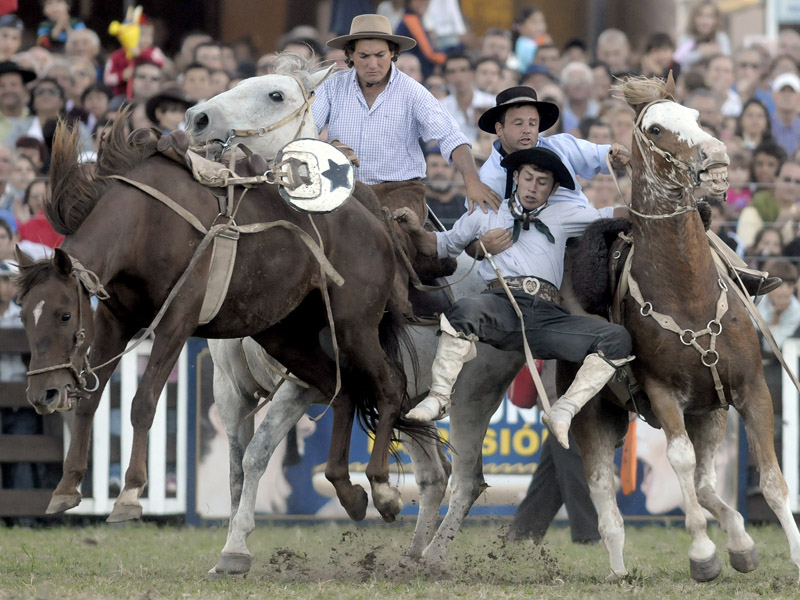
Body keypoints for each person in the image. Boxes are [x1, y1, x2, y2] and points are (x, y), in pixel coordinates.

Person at [396, 148, 633, 451]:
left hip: (548, 315)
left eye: (543, 182)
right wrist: (416, 231)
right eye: (529, 178)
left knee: (616, 338)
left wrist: (639, 178)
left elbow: (615, 216)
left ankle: (563, 411)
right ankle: (439, 397)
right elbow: (440, 245)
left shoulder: (564, 214)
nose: (533, 188)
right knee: (464, 309)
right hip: (502, 304)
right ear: (516, 178)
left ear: (554, 188)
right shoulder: (486, 212)